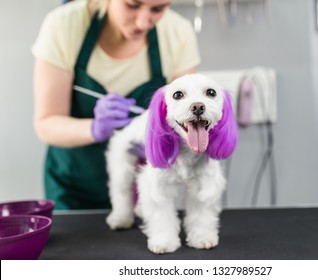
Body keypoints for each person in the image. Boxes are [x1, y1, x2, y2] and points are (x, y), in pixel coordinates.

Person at [32, 0, 201, 210]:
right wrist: (93, 129)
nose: (142, 22)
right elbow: (46, 123)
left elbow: (184, 118)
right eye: (132, 5)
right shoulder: (63, 25)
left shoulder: (178, 33)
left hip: (143, 188)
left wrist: (165, 137)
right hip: (74, 188)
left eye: (157, 9)